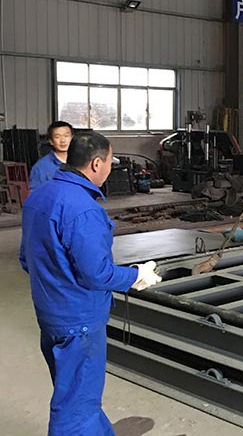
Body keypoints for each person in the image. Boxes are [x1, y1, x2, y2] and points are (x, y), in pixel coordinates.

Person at [19, 132, 162, 436]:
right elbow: (96, 274)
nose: (110, 167)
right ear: (97, 164)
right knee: (75, 410)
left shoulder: (39, 197)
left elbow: (26, 259)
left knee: (75, 394)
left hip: (51, 316)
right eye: (110, 161)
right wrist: (135, 276)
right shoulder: (84, 209)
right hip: (79, 323)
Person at [29, 121, 74, 190]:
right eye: (57, 137)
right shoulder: (41, 167)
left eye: (66, 136)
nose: (62, 140)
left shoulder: (82, 162)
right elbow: (35, 194)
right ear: (51, 141)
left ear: (72, 138)